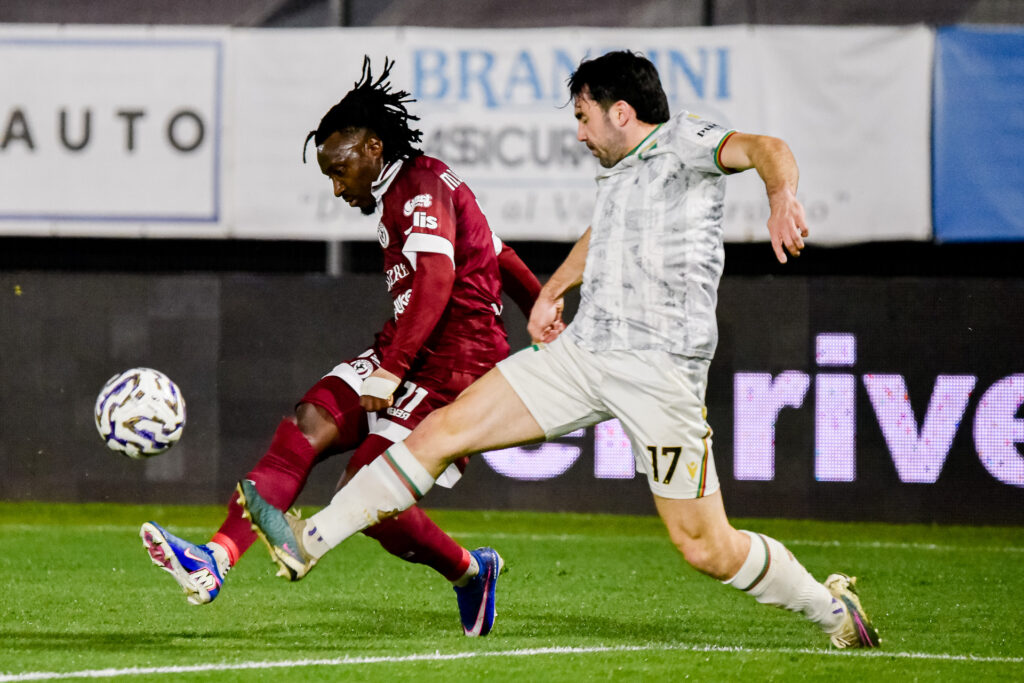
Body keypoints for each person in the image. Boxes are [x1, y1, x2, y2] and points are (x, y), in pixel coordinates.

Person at [240, 50, 880, 649]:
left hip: (659, 371)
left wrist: (780, 196)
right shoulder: (620, 175)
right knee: (441, 430)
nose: (578, 133)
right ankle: (309, 540)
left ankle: (830, 609)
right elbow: (604, 232)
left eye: (582, 116)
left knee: (705, 547)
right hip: (585, 355)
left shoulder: (684, 141)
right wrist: (553, 289)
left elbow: (769, 149)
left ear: (620, 112)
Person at [140, 56, 541, 638]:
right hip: (409, 347)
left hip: (454, 363)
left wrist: (393, 369)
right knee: (310, 421)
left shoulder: (420, 185)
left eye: (340, 169)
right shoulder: (416, 186)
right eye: (329, 175)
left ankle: (470, 571)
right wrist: (542, 307)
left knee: (365, 490)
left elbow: (436, 279)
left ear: (374, 148)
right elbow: (498, 251)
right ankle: (215, 558)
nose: (336, 186)